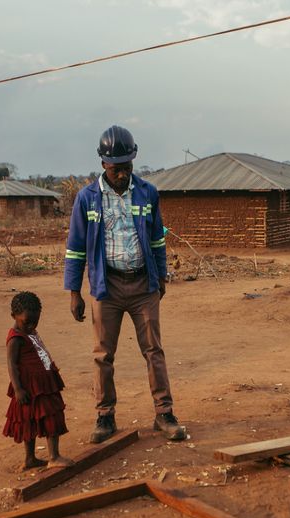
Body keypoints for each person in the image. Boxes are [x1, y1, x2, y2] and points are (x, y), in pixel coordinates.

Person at [64, 125, 185, 443]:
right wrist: (74, 291)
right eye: (117, 168)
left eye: (127, 166)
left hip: (143, 285)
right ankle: (104, 417)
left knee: (153, 351)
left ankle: (164, 413)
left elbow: (157, 239)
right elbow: (75, 248)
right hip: (107, 287)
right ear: (103, 163)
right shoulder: (87, 199)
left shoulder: (147, 193)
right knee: (103, 355)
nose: (122, 173)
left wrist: (161, 277)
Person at [3, 291, 75, 470]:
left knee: (47, 417)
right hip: (29, 387)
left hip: (43, 385)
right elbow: (11, 364)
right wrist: (18, 389)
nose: (32, 325)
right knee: (32, 420)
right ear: (14, 316)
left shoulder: (29, 330)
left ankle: (38, 458)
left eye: (35, 321)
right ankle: (50, 457)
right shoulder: (15, 338)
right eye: (27, 322)